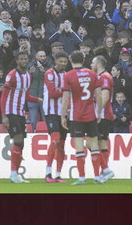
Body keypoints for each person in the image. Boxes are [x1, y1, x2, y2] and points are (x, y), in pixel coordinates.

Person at [60, 51, 100, 185]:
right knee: (94, 145)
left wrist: (63, 116)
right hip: (91, 114)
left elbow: (65, 99)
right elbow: (99, 95)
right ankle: (97, 177)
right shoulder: (92, 74)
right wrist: (99, 112)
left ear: (71, 60)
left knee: (79, 147)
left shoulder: (68, 75)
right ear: (83, 60)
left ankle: (82, 178)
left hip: (76, 115)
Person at [1, 50, 39, 183]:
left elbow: (26, 96)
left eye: (25, 59)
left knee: (21, 143)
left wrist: (38, 100)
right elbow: (4, 96)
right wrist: (4, 116)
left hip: (21, 113)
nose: (24, 61)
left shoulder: (28, 76)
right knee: (18, 140)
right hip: (11, 112)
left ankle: (15, 175)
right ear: (17, 61)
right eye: (21, 59)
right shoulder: (12, 75)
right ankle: (13, 174)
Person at [42, 51, 69, 183]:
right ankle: (48, 173)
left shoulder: (66, 75)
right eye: (61, 61)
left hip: (63, 113)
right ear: (55, 61)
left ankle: (58, 175)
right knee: (55, 140)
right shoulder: (49, 73)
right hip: (51, 112)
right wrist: (66, 93)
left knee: (62, 145)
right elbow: (52, 93)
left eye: (65, 62)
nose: (63, 64)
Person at [91, 55, 116, 183]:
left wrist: (97, 113)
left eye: (92, 63)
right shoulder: (101, 76)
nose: (91, 65)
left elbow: (105, 97)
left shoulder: (105, 77)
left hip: (103, 114)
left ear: (98, 64)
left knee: (91, 144)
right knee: (101, 144)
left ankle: (105, 170)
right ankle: (104, 172)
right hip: (103, 114)